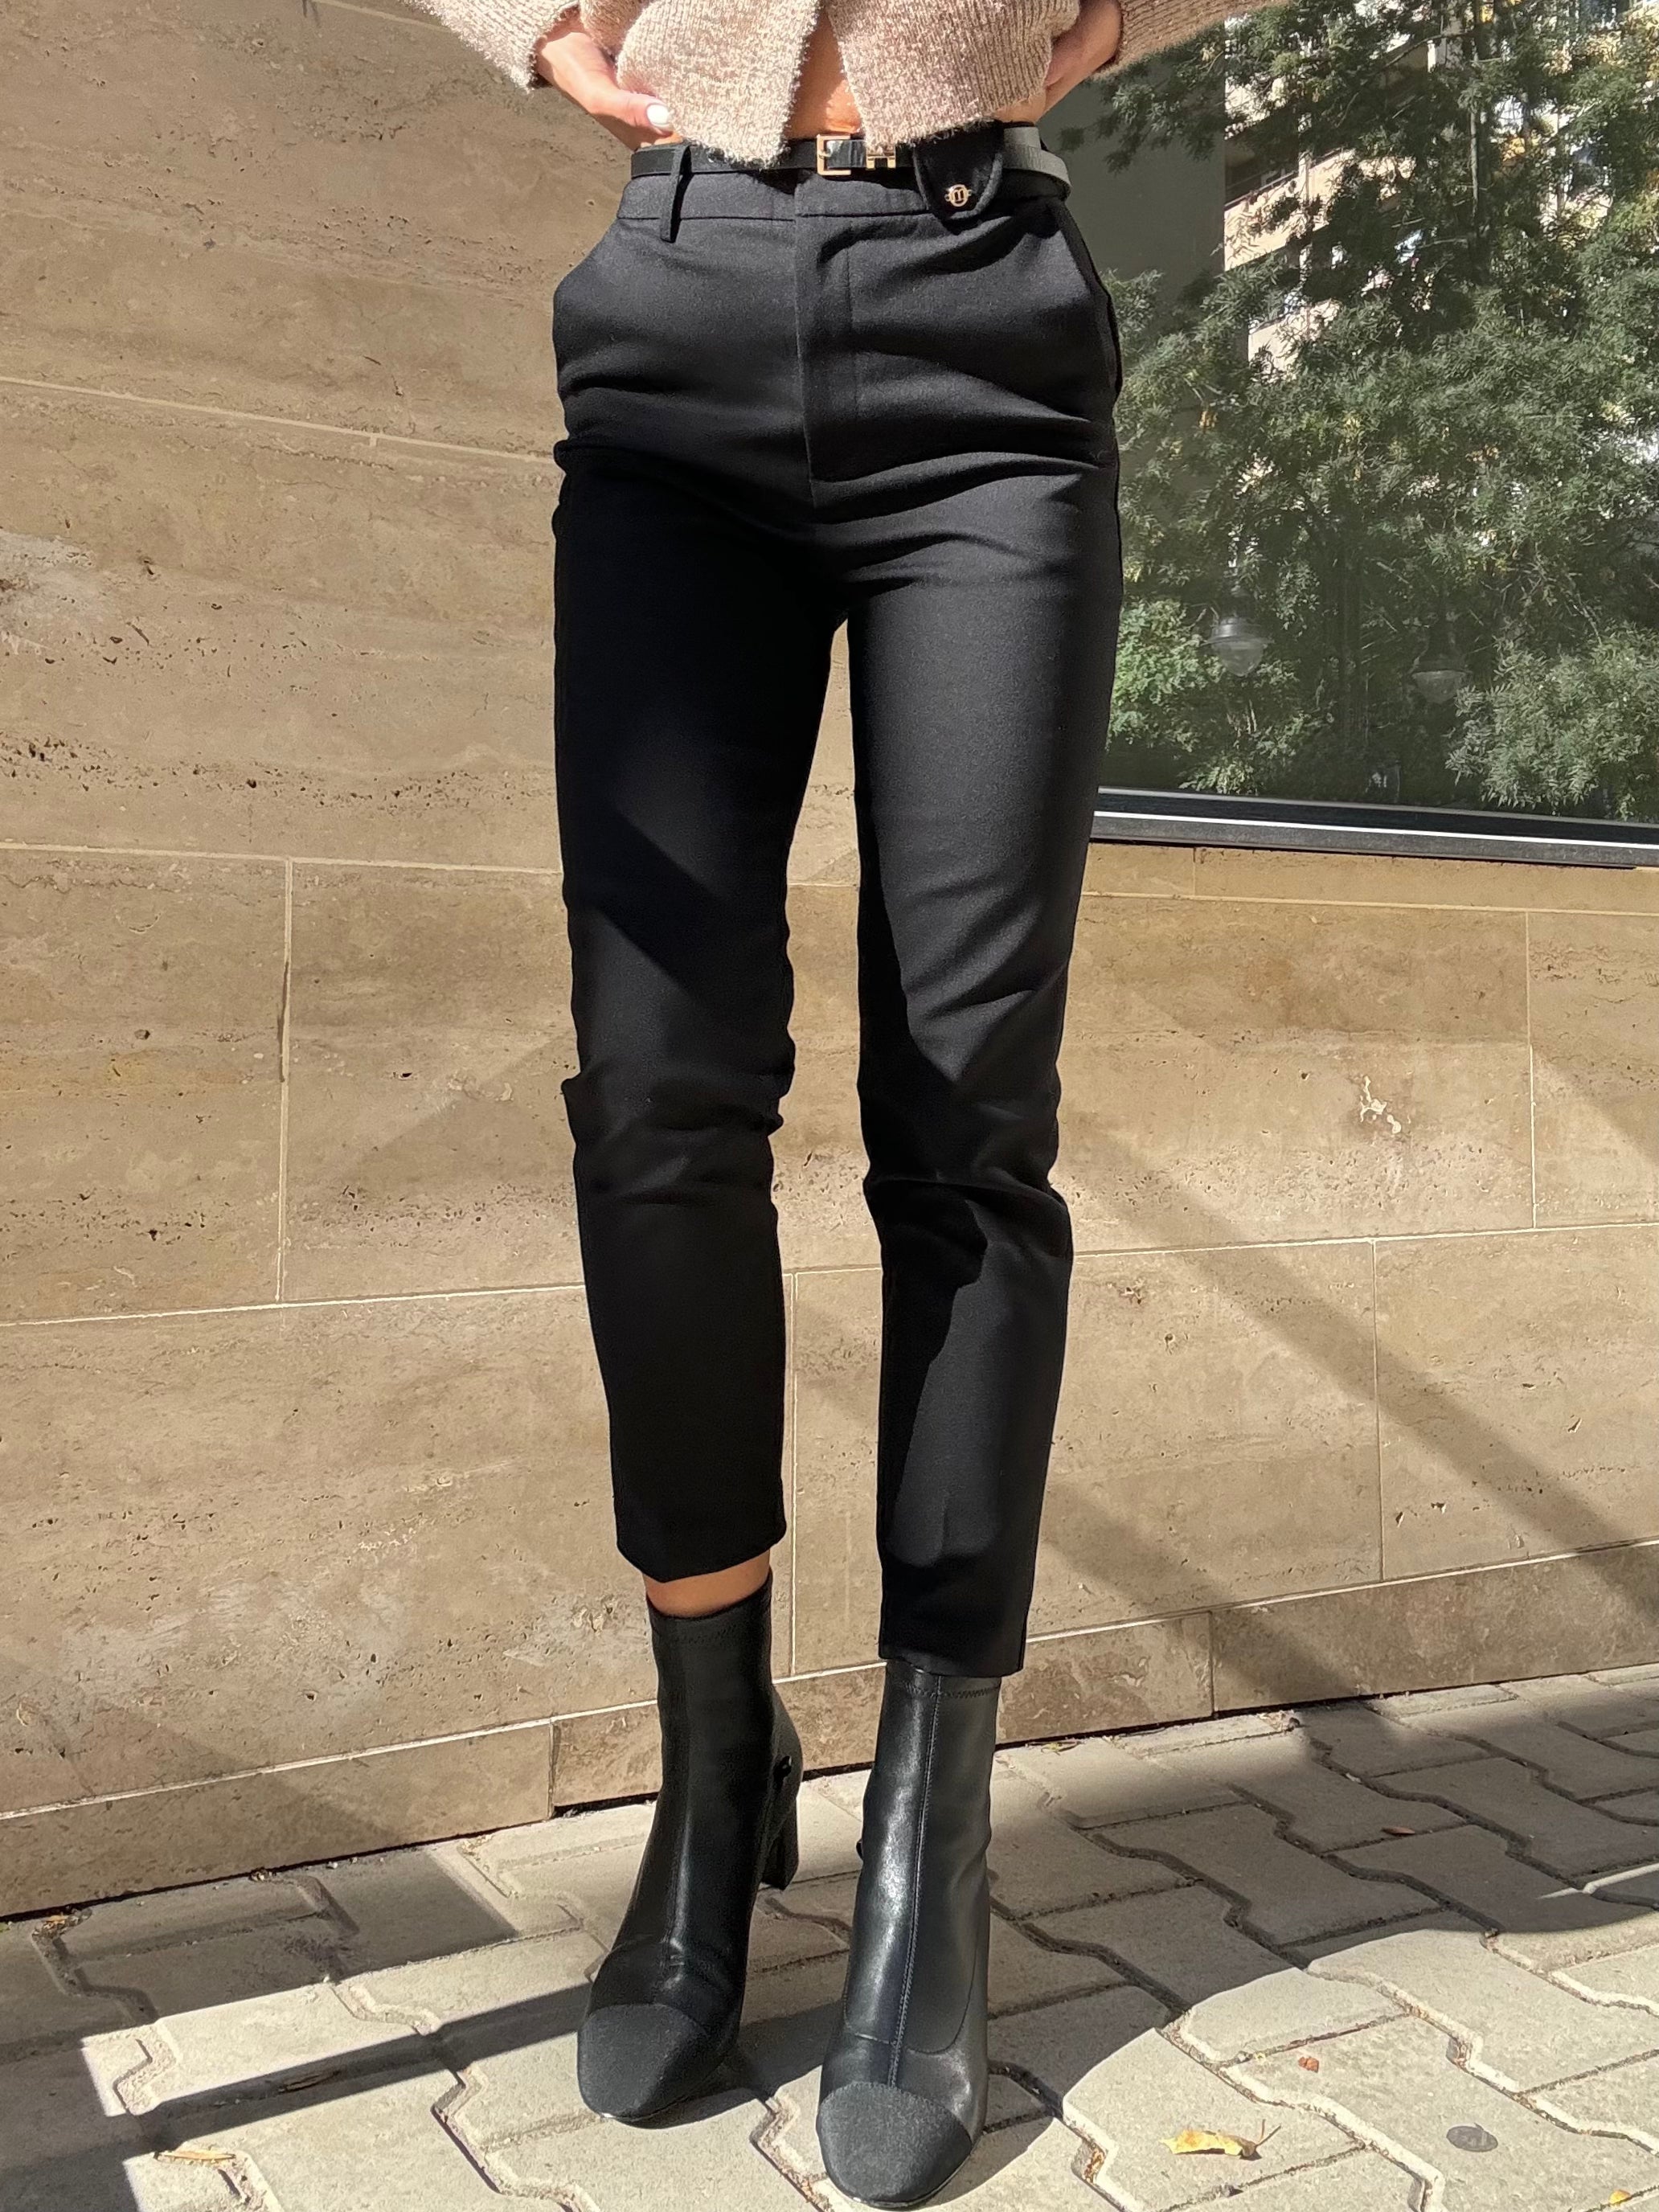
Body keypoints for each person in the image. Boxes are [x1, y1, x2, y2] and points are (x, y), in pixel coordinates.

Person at [408, 3, 1258, 2202]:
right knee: (656, 1098)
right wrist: (535, 27)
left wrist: (1105, 20)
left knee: (966, 1113)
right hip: (674, 318)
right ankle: (715, 1777)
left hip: (983, 348)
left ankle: (927, 1831)